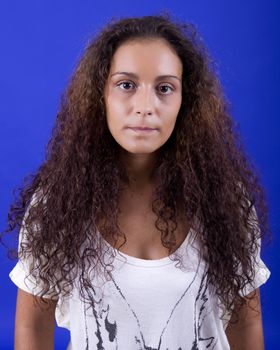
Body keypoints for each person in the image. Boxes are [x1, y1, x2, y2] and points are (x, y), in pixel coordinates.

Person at [5, 14, 271, 350]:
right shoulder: (56, 206)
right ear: (99, 95)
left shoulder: (226, 203)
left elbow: (246, 322)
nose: (145, 107)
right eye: (126, 85)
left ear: (184, 101)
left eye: (164, 88)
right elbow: (33, 323)